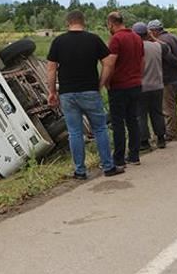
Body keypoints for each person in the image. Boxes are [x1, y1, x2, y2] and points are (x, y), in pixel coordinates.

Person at [46, 11, 124, 178]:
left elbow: (51, 69)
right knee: (100, 129)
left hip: (67, 93)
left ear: (68, 23)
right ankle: (108, 167)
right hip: (90, 91)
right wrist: (101, 84)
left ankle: (80, 171)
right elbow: (108, 63)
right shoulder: (93, 39)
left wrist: (52, 92)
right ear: (83, 22)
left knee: (75, 132)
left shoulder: (59, 41)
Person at [106, 11, 145, 166]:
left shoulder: (116, 39)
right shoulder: (136, 37)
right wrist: (138, 77)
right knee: (133, 120)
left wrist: (105, 81)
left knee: (118, 123)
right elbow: (142, 61)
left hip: (119, 86)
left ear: (111, 23)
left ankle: (119, 158)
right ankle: (134, 155)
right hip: (135, 84)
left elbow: (110, 64)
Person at [148, 19, 177, 141]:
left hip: (169, 78)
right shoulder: (174, 37)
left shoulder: (161, 42)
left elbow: (169, 58)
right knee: (172, 105)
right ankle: (172, 130)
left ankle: (171, 133)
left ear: (154, 31)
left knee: (168, 107)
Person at [133, 22, 168, 150]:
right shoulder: (157, 46)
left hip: (142, 86)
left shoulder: (136, 48)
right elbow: (167, 48)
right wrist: (153, 38)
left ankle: (144, 142)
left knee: (141, 115)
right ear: (146, 34)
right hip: (157, 85)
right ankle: (161, 138)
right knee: (157, 113)